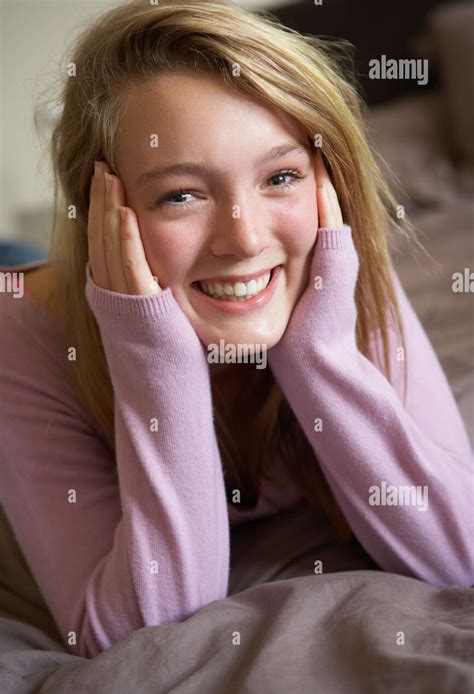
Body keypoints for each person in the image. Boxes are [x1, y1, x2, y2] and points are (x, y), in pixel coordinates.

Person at [0, 0, 472, 660]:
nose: (245, 239)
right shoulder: (20, 331)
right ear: (103, 210)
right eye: (181, 195)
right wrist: (150, 350)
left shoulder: (325, 260)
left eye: (280, 177)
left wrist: (319, 352)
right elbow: (136, 638)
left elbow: (460, 556)